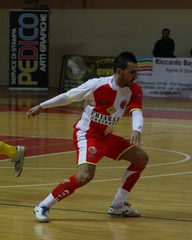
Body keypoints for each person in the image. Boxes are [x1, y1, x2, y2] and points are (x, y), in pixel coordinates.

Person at [27, 51, 149, 223]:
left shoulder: (134, 90)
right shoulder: (96, 85)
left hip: (106, 136)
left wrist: (137, 129)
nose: (135, 76)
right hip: (87, 134)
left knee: (141, 158)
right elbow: (69, 97)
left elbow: (137, 111)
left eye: (136, 71)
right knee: (85, 176)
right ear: (119, 71)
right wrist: (42, 106)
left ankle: (118, 205)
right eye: (132, 72)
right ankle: (43, 205)